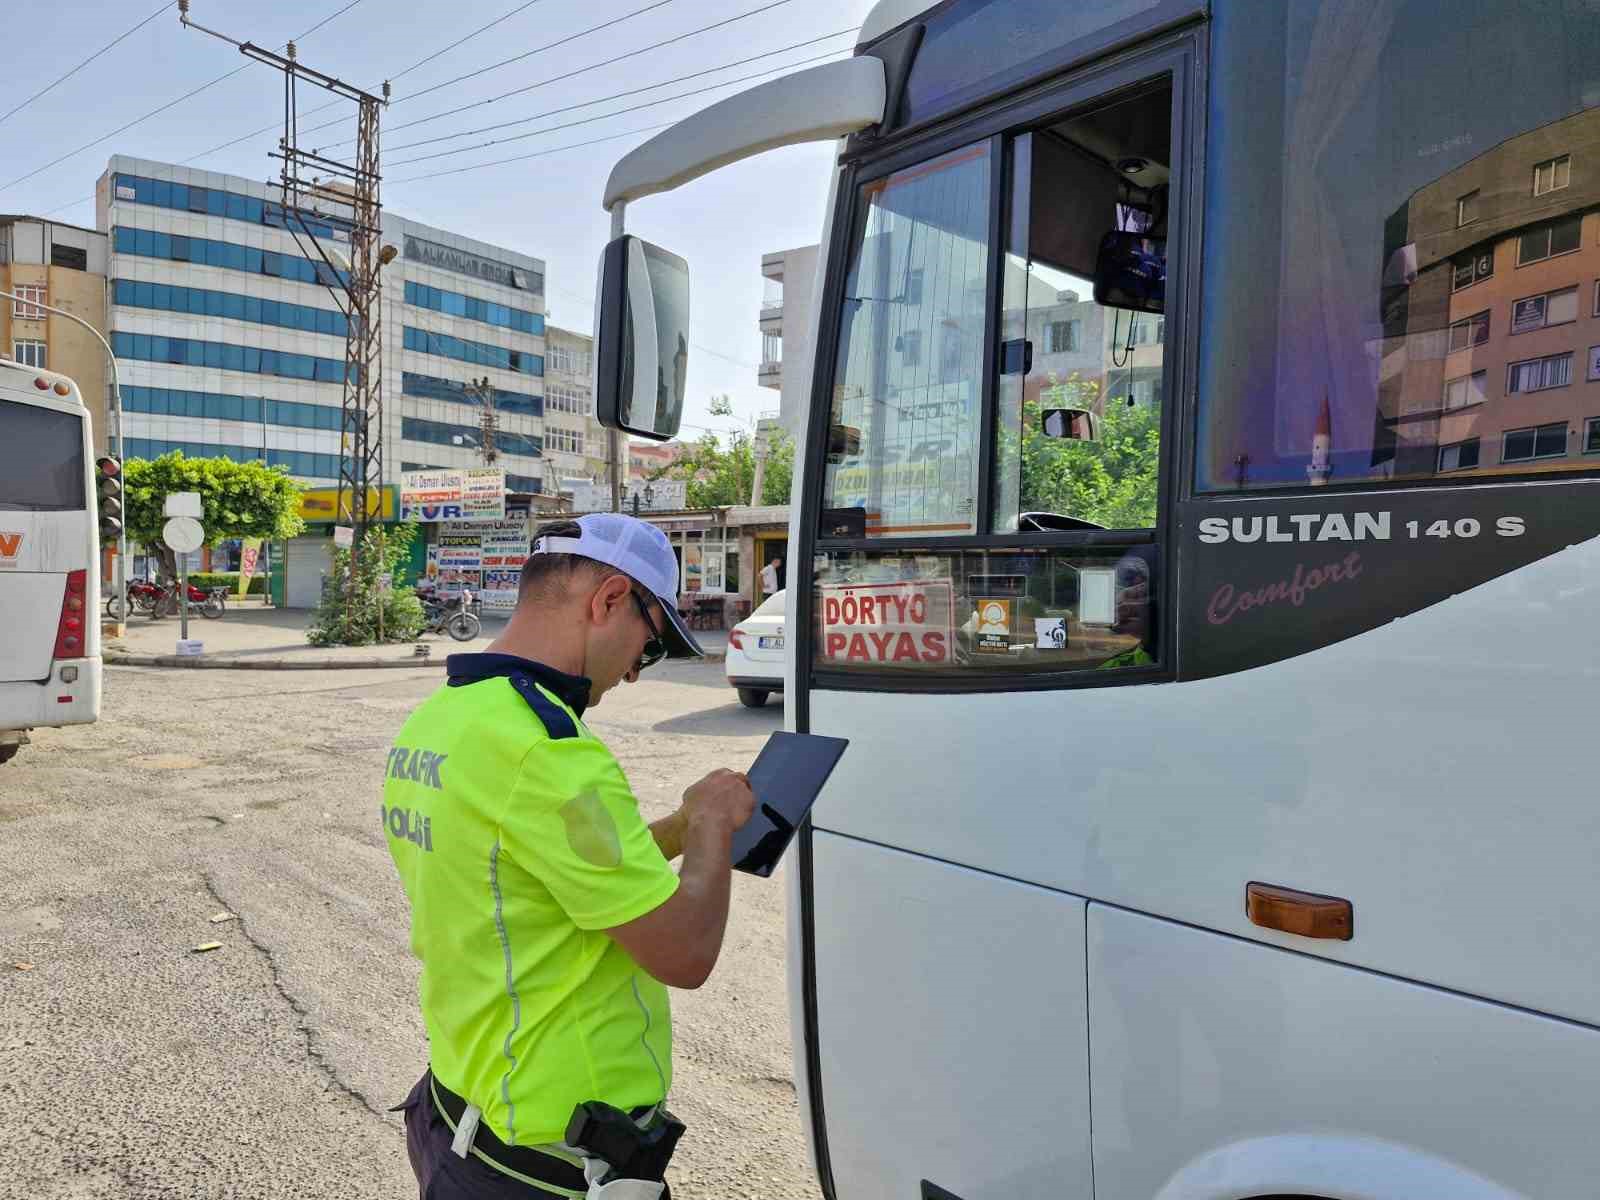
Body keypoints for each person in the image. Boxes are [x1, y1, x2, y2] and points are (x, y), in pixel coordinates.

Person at [384, 513, 756, 1199]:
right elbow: (684, 954)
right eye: (647, 647)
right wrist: (709, 827)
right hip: (547, 1167)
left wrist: (676, 826)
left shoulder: (447, 715)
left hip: (458, 1113)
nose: (636, 674)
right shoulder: (550, 752)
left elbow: (563, 873)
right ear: (609, 600)